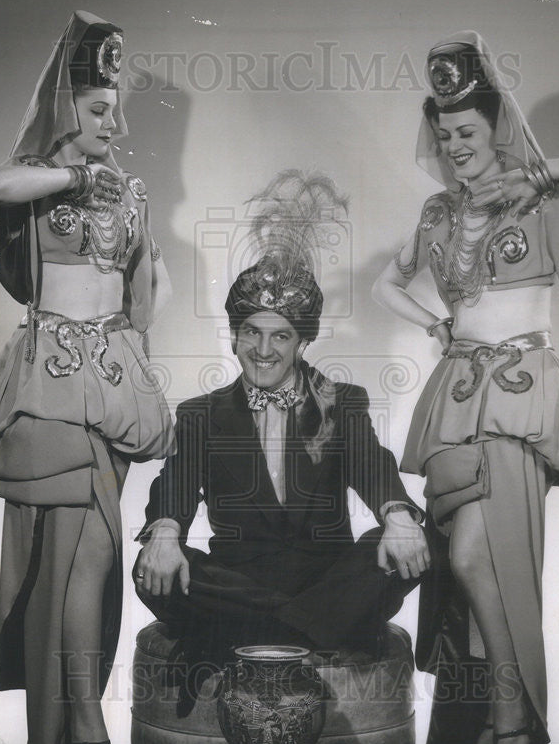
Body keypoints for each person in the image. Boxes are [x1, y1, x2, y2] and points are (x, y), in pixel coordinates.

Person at [372, 32, 559, 744]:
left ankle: (510, 722)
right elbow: (384, 286)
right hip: (456, 398)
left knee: (481, 557)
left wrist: (539, 171)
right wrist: (432, 323)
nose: (454, 146)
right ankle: (498, 719)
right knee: (461, 566)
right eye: (444, 134)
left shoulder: (540, 193)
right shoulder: (435, 213)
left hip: (520, 395)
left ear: (496, 126)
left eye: (467, 131)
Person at [0, 11, 174, 744]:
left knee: (88, 560)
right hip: (49, 381)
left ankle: (75, 728)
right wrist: (75, 175)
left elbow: (142, 299)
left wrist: (145, 382)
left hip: (112, 383)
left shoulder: (133, 192)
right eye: (96, 109)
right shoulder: (37, 178)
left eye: (117, 108)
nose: (113, 123)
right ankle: (83, 733)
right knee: (76, 559)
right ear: (64, 107)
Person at [133, 172, 429, 682]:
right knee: (151, 569)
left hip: (329, 576)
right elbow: (175, 485)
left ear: (302, 342)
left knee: (417, 545)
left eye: (280, 336)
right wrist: (164, 531)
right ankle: (313, 633)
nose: (263, 351)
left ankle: (247, 634)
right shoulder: (200, 414)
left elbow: (372, 465)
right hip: (237, 579)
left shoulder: (342, 403)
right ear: (233, 335)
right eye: (251, 332)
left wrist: (398, 514)